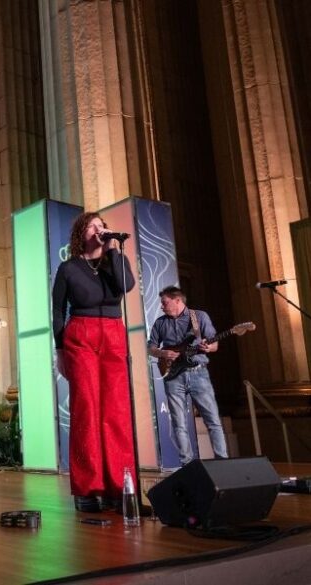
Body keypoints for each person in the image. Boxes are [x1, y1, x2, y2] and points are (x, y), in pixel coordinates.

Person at [52, 211, 136, 512]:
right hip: (81, 335)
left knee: (116, 410)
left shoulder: (115, 260)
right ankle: (88, 489)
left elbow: (126, 286)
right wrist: (60, 351)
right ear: (81, 234)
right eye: (92, 226)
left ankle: (119, 485)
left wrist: (113, 249)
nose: (99, 229)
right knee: (87, 409)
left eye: (102, 225)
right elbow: (58, 312)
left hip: (113, 334)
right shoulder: (68, 267)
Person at [148, 286, 228, 466]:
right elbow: (150, 347)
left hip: (199, 373)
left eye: (165, 302)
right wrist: (162, 354)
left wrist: (210, 347)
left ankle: (222, 463)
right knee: (179, 423)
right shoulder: (160, 323)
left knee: (213, 420)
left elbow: (213, 343)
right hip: (173, 377)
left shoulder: (199, 316)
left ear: (178, 300)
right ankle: (187, 465)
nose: (162, 306)